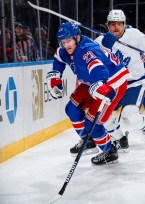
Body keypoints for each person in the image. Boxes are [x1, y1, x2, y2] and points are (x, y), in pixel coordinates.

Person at [47, 21, 129, 165]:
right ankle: (88, 141)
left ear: (77, 38)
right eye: (63, 42)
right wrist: (55, 77)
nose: (66, 45)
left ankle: (109, 151)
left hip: (111, 82)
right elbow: (58, 58)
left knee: (93, 123)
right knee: (71, 109)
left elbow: (98, 68)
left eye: (69, 41)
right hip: (92, 82)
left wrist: (100, 85)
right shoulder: (65, 50)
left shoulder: (87, 50)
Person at [94, 9, 145, 148]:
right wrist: (104, 48)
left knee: (128, 113)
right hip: (115, 84)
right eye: (113, 24)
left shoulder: (135, 35)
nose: (116, 27)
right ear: (108, 25)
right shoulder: (101, 41)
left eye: (119, 23)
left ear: (124, 24)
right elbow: (91, 59)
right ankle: (120, 138)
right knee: (103, 116)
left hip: (135, 82)